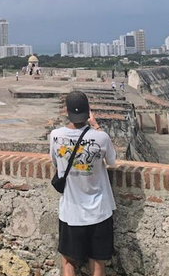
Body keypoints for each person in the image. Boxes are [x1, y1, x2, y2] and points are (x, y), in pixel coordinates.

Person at [49, 91, 116, 276]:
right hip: (99, 211)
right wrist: (95, 125)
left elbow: (55, 163)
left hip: (71, 212)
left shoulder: (55, 136)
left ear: (66, 111)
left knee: (68, 261)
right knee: (97, 262)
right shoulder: (101, 137)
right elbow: (112, 162)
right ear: (88, 111)